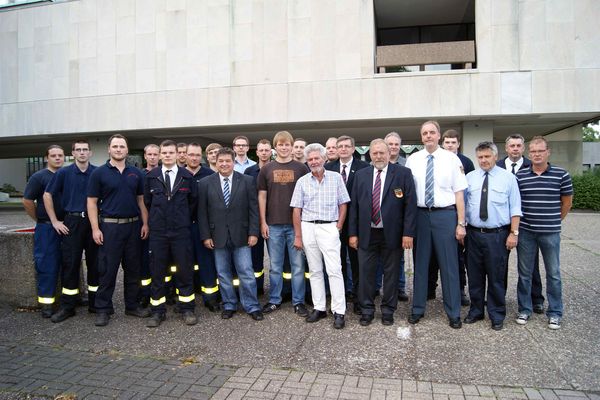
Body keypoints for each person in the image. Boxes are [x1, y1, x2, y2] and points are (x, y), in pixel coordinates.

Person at [406, 121, 467, 329]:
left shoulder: (451, 159)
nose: (428, 136)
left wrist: (461, 223)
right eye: (425, 133)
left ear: (439, 135)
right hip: (421, 216)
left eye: (432, 132)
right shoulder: (413, 159)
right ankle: (417, 309)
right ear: (421, 137)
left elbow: (459, 193)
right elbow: (408, 194)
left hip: (445, 216)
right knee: (420, 265)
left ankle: (453, 312)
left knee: (449, 266)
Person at [348, 139, 417, 326]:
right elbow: (353, 206)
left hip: (393, 234)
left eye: (382, 153)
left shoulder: (403, 173)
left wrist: (407, 233)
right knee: (366, 274)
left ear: (389, 153)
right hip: (366, 234)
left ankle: (388, 311)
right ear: (370, 154)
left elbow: (410, 206)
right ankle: (367, 310)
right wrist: (352, 233)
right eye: (375, 153)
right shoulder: (361, 175)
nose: (378, 156)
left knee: (392, 274)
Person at [87, 134, 151, 326]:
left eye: (122, 146)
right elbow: (91, 202)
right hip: (109, 228)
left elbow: (141, 201)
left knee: (133, 269)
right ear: (109, 149)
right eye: (115, 146)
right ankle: (103, 309)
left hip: (133, 227)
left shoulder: (136, 173)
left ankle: (132, 306)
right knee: (107, 270)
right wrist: (95, 228)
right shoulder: (98, 173)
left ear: (127, 150)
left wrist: (145, 224)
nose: (118, 149)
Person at [198, 147, 263, 321]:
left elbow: (253, 210)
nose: (224, 164)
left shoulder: (248, 181)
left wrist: (253, 232)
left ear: (233, 162)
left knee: (246, 272)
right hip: (216, 236)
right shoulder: (205, 183)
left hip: (242, 235)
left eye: (228, 161)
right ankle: (229, 304)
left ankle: (252, 305)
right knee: (223, 273)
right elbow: (202, 213)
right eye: (221, 161)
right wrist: (206, 236)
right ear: (216, 162)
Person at [516, 136, 573, 330]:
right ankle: (524, 309)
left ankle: (555, 312)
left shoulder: (561, 174)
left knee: (554, 273)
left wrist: (555, 220)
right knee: (524, 273)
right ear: (528, 153)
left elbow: (567, 202)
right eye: (533, 151)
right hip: (526, 232)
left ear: (548, 152)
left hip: (550, 232)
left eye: (540, 151)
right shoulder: (521, 176)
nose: (537, 154)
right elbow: (517, 204)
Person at [290, 143, 350, 329]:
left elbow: (343, 204)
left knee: (334, 269)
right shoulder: (302, 181)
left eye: (317, 158)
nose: (314, 161)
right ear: (307, 162)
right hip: (308, 228)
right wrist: (298, 236)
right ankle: (319, 308)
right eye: (310, 159)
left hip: (329, 228)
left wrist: (338, 226)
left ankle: (339, 311)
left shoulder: (336, 178)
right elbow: (296, 210)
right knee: (315, 271)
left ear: (324, 159)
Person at [464, 141, 521, 331]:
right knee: (474, 275)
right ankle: (476, 310)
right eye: (480, 157)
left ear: (495, 156)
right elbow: (464, 205)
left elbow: (515, 208)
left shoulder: (508, 178)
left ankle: (497, 314)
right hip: (473, 234)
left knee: (497, 276)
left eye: (487, 156)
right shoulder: (470, 178)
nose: (483, 160)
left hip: (497, 235)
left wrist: (514, 233)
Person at [143, 140, 198, 327]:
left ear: (177, 154)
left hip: (181, 231)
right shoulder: (151, 176)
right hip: (158, 232)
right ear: (159, 155)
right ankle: (158, 311)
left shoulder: (186, 176)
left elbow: (193, 202)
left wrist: (180, 219)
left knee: (184, 270)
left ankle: (187, 308)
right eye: (164, 152)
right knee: (157, 271)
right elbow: (148, 202)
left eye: (170, 152)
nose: (167, 155)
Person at [43, 140, 98, 323]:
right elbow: (47, 195)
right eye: (78, 150)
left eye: (85, 150)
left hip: (93, 223)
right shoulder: (64, 173)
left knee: (95, 264)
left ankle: (95, 304)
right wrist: (54, 221)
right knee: (70, 264)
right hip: (71, 223)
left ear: (90, 153)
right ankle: (68, 306)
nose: (82, 153)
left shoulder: (98, 173)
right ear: (73, 153)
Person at [258, 131, 309, 316]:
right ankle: (274, 300)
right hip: (273, 225)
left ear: (291, 146)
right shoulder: (266, 169)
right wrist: (263, 222)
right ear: (275, 147)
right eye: (280, 144)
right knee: (275, 266)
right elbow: (262, 196)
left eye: (287, 144)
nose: (284, 147)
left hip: (296, 226)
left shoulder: (302, 168)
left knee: (297, 266)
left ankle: (298, 302)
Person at [497, 134, 544, 314]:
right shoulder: (498, 166)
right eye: (512, 146)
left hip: (526, 224)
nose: (515, 149)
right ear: (506, 148)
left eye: (518, 146)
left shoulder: (531, 167)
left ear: (523, 149)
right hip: (502, 224)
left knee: (530, 265)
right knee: (500, 264)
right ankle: (498, 298)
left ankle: (536, 298)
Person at [427, 129, 475, 306]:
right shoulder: (436, 159)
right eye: (447, 142)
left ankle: (459, 290)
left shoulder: (465, 162)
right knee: (431, 255)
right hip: (438, 214)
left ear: (458, 144)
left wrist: (462, 222)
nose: (450, 145)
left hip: (455, 213)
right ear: (442, 143)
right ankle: (430, 288)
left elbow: (465, 192)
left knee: (456, 257)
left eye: (453, 143)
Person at [324, 135, 369, 312]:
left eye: (346, 146)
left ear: (353, 148)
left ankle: (359, 299)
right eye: (339, 146)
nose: (342, 149)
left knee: (358, 264)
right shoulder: (328, 168)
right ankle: (340, 299)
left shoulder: (364, 168)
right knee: (337, 263)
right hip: (334, 223)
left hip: (356, 224)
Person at [22, 145, 65, 318]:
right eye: (53, 156)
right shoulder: (39, 177)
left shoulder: (66, 175)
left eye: (60, 155)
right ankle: (47, 304)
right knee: (47, 264)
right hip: (47, 228)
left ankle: (71, 298)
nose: (57, 158)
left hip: (67, 226)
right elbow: (27, 201)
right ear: (47, 158)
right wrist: (41, 219)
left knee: (69, 263)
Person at [186, 142, 220, 312]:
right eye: (191, 155)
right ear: (185, 155)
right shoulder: (179, 174)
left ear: (202, 157)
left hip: (203, 226)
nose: (194, 158)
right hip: (183, 227)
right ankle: (184, 299)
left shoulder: (210, 175)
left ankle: (210, 298)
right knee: (184, 264)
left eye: (197, 155)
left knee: (207, 263)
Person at [244, 139, 273, 294]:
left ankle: (281, 290)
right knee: (255, 257)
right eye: (261, 150)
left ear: (271, 152)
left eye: (266, 150)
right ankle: (258, 287)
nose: (263, 153)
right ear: (256, 152)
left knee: (275, 258)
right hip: (254, 220)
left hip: (273, 219)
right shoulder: (249, 171)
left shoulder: (276, 169)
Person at [384, 131, 408, 302]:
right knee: (379, 259)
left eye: (396, 144)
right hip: (379, 221)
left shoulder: (406, 166)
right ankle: (379, 286)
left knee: (397, 258)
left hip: (397, 220)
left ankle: (400, 287)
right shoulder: (374, 164)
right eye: (390, 144)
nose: (393, 147)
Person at [138, 144, 160, 307]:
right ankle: (145, 294)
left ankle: (167, 291)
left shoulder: (163, 174)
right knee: (145, 261)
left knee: (164, 262)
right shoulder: (139, 175)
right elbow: (142, 201)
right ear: (145, 156)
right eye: (149, 154)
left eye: (155, 154)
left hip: (162, 226)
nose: (152, 157)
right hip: (144, 225)